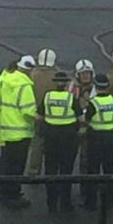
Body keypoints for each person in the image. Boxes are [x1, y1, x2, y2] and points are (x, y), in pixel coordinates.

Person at [0, 55, 37, 209]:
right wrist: (42, 115)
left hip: (5, 130)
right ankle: (13, 195)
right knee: (16, 167)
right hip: (20, 132)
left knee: (5, 164)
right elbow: (28, 110)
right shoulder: (24, 84)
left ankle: (3, 194)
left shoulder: (3, 79)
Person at [36, 72, 83, 213]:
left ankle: (51, 202)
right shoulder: (71, 98)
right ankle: (65, 202)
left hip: (51, 136)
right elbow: (81, 119)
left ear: (55, 82)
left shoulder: (48, 96)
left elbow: (38, 117)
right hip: (68, 138)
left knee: (50, 169)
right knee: (66, 170)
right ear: (66, 84)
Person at [84, 74, 113, 210]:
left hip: (96, 136)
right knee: (109, 167)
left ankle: (90, 201)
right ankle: (110, 198)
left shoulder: (94, 103)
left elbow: (87, 119)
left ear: (96, 86)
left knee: (93, 169)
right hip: (111, 136)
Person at [25, 49, 58, 176]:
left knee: (36, 145)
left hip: (36, 115)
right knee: (53, 145)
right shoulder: (57, 76)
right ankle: (52, 172)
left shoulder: (32, 75)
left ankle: (33, 171)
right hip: (54, 117)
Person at [69, 59, 96, 196]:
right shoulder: (72, 88)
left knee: (86, 160)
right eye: (83, 74)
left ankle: (85, 190)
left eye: (88, 74)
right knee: (68, 159)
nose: (85, 76)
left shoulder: (95, 89)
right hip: (73, 129)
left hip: (89, 130)